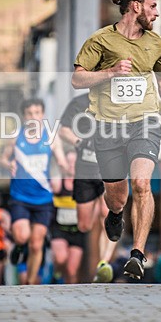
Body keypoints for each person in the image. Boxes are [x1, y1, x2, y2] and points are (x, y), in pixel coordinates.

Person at [71, 0, 161, 280]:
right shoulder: (100, 40)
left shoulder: (156, 44)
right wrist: (110, 72)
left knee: (142, 183)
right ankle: (117, 215)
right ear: (136, 6)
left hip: (144, 122)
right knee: (117, 197)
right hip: (107, 127)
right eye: (153, 6)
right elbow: (77, 79)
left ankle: (137, 254)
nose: (156, 13)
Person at [0, 98, 66, 285]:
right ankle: (19, 246)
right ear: (24, 116)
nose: (33, 117)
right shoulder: (15, 136)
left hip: (43, 197)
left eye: (37, 113)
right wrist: (9, 163)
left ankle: (29, 282)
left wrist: (61, 171)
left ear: (42, 115)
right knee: (22, 236)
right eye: (29, 114)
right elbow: (3, 158)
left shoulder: (51, 137)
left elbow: (60, 161)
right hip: (20, 196)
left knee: (37, 244)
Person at [57, 93, 116, 282]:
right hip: (85, 172)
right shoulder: (78, 103)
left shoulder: (116, 100)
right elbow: (63, 130)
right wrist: (80, 142)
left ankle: (103, 263)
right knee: (84, 224)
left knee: (107, 213)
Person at [50, 151, 87, 284]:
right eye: (68, 162)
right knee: (61, 259)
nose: (71, 166)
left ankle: (69, 298)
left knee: (72, 272)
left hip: (77, 231)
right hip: (58, 229)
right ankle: (56, 272)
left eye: (74, 163)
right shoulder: (58, 182)